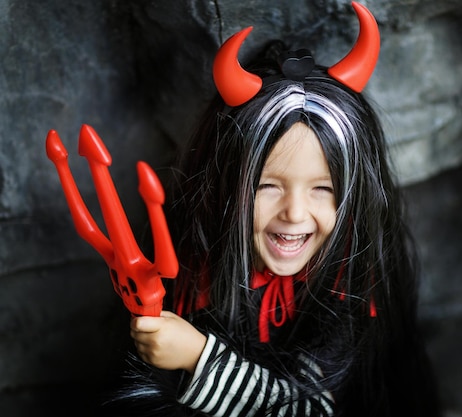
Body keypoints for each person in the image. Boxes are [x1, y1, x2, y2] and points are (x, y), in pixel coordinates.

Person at [103, 2, 441, 416]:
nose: (295, 213)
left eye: (323, 188)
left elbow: (312, 408)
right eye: (267, 186)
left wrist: (198, 358)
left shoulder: (350, 287)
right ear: (225, 186)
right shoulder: (194, 268)